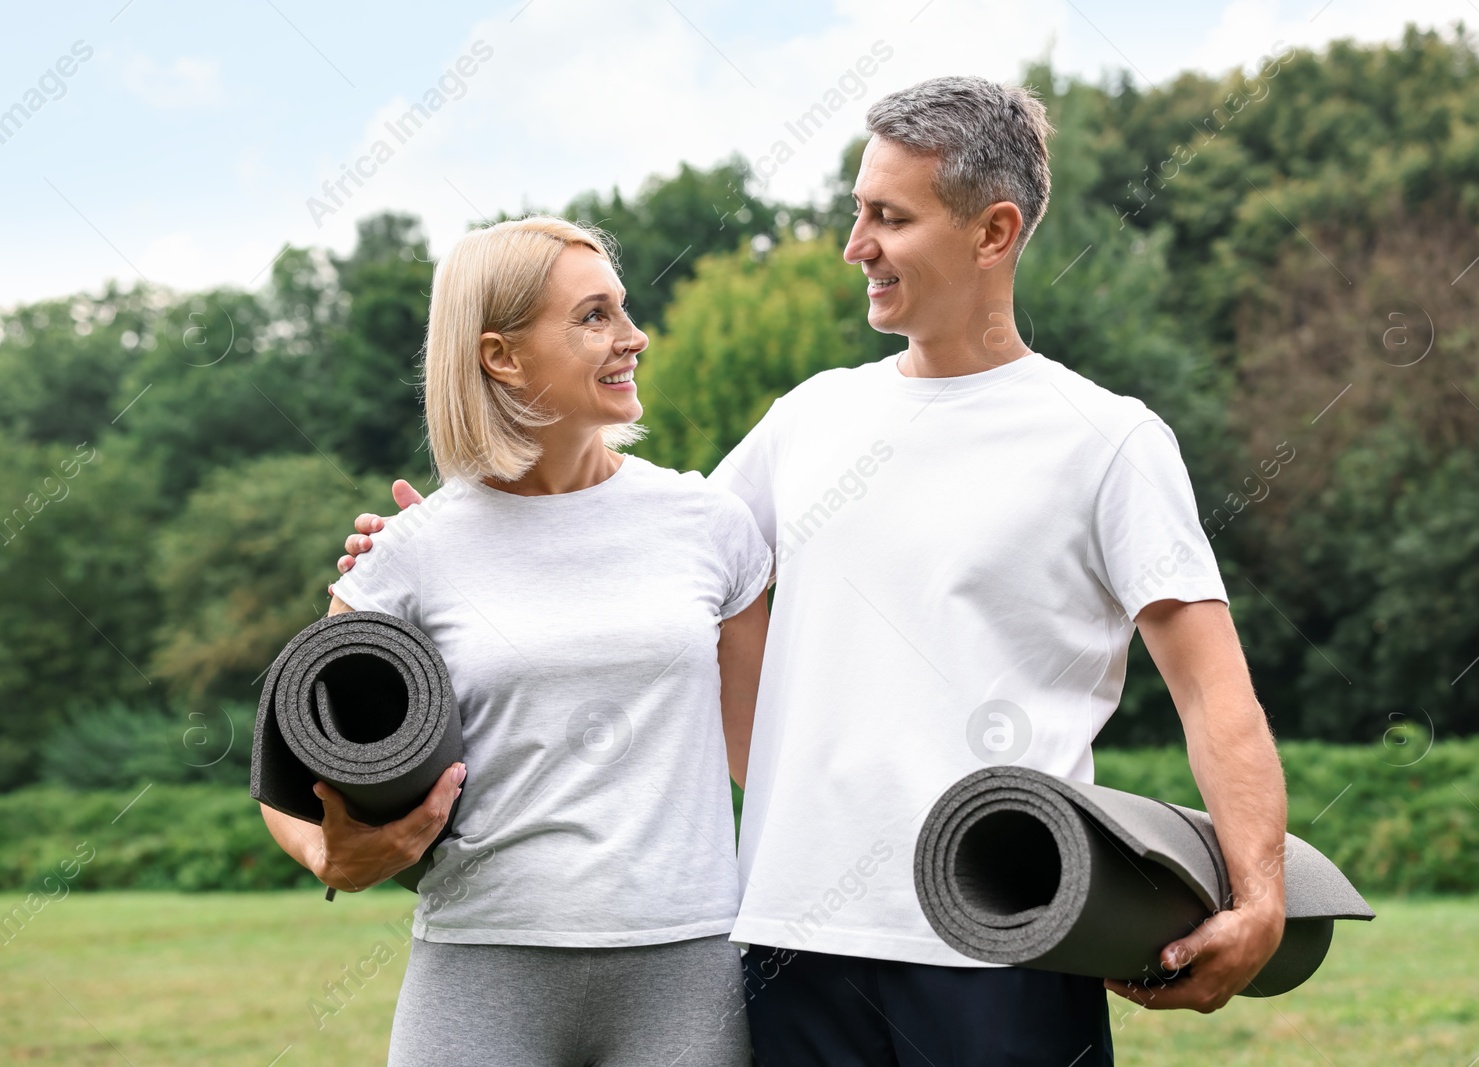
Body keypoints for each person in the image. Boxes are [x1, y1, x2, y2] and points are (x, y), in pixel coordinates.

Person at [344, 77, 1290, 1066]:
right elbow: (638, 562)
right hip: (785, 947)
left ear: (993, 231)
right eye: (856, 211)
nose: (856, 245)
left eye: (889, 216)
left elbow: (1209, 687)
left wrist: (1259, 894)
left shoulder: (1107, 440)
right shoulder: (809, 420)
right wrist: (471, 539)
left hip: (1001, 945)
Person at [264, 215, 771, 1066]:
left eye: (623, 309)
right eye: (594, 316)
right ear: (500, 355)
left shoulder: (708, 525)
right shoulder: (413, 548)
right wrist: (333, 853)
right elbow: (288, 767)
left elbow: (767, 760)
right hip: (480, 961)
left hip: (686, 963)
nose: (633, 337)